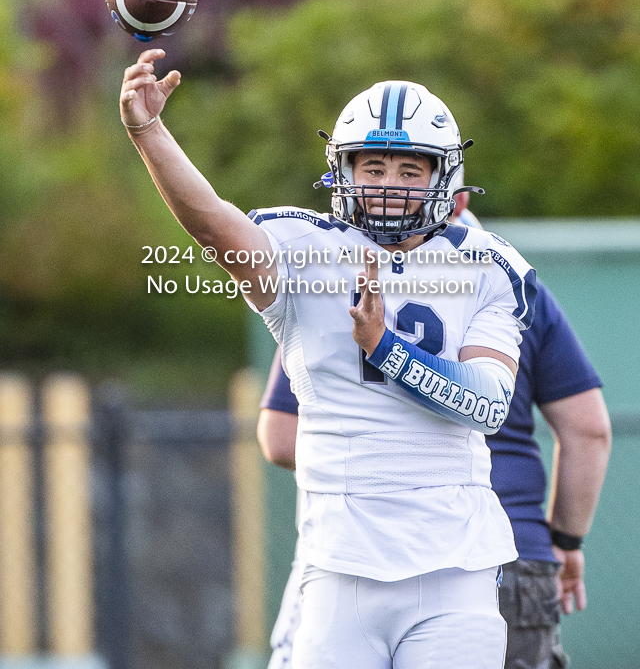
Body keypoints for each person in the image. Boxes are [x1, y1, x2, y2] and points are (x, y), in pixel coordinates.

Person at [120, 51, 538, 668]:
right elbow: (212, 225)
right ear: (342, 170)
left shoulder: (488, 266)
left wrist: (387, 349)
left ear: (444, 177)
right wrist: (148, 133)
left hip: (457, 566)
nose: (390, 185)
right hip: (340, 564)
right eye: (373, 166)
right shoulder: (301, 249)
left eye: (409, 169)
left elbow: (486, 404)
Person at [258, 197, 611, 669]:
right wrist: (566, 541)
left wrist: (380, 468)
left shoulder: (334, 278)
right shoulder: (506, 281)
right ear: (460, 196)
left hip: (362, 546)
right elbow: (589, 430)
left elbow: (278, 435)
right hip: (507, 546)